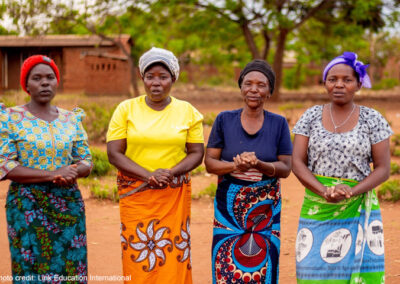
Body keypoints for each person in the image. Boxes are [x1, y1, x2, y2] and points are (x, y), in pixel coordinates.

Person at [106, 47, 204, 283]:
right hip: (136, 196)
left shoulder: (187, 111)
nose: (156, 83)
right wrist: (149, 175)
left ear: (173, 78)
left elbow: (196, 153)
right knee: (138, 256)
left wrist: (169, 173)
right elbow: (113, 153)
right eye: (150, 77)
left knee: (174, 254)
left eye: (163, 77)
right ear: (142, 78)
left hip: (173, 195)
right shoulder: (126, 109)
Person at [292, 52, 392, 283]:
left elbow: (383, 168)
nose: (339, 84)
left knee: (356, 269)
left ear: (358, 84)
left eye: (347, 80)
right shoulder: (310, 116)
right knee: (310, 268)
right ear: (325, 83)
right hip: (318, 204)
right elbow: (297, 161)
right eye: (332, 79)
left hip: (357, 204)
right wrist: (323, 191)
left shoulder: (372, 119)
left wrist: (351, 191)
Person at [0, 55, 92, 282]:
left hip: (68, 206)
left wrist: (74, 171)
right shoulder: (10, 118)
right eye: (37, 78)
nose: (45, 83)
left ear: (57, 82)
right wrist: (53, 174)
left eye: (50, 77)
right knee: (31, 268)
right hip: (27, 207)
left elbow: (86, 161)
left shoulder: (71, 119)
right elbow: (5, 166)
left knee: (71, 268)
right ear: (26, 84)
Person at [204, 59, 292, 284]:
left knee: (264, 263)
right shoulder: (224, 120)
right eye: (248, 83)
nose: (254, 89)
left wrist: (259, 164)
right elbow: (210, 163)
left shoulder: (279, 123)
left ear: (269, 91)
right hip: (229, 208)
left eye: (261, 85)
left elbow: (286, 168)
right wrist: (236, 166)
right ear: (241, 87)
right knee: (226, 261)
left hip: (265, 208)